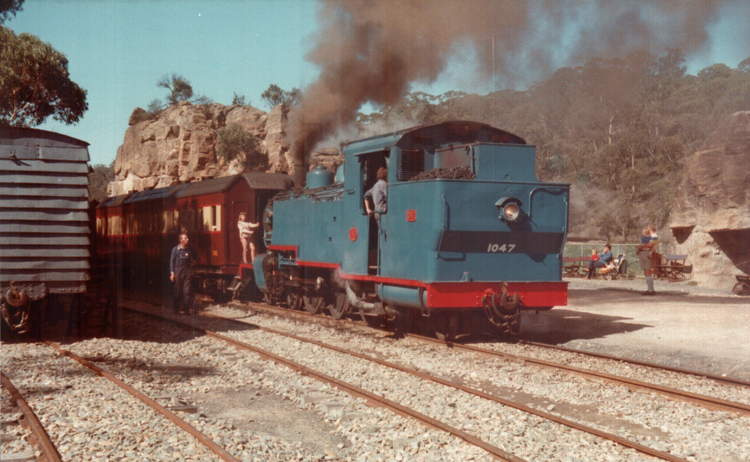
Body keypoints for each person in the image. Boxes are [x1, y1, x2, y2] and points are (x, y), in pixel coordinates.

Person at [170, 233, 198, 314]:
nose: (187, 239)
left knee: (187, 291)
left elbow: (196, 256)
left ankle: (186, 309)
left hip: (187, 272)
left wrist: (193, 263)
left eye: (187, 238)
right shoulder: (175, 249)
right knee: (178, 291)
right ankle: (176, 309)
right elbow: (172, 262)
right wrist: (172, 273)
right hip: (178, 272)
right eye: (185, 238)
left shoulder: (190, 249)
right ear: (181, 240)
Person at [637, 225, 660, 295]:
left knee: (648, 271)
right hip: (644, 253)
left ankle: (650, 290)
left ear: (650, 229)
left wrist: (641, 246)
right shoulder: (649, 237)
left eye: (648, 228)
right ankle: (650, 289)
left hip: (647, 253)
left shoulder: (654, 236)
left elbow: (650, 245)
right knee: (646, 272)